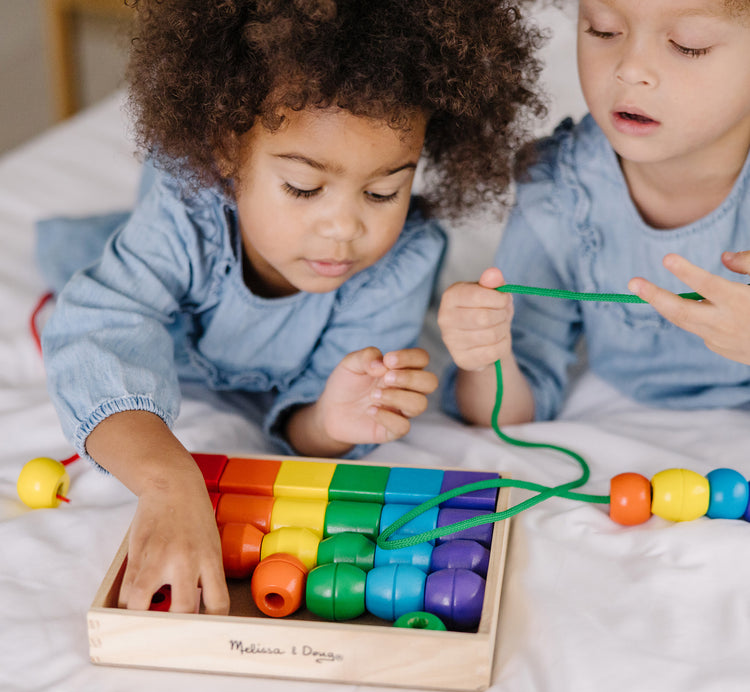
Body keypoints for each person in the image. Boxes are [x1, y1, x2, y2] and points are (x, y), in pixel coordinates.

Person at [38, 0, 546, 614]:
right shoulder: (188, 205)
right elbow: (104, 327)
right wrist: (168, 481)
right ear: (228, 152)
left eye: (385, 190)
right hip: (169, 258)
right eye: (304, 188)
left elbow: (304, 421)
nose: (345, 227)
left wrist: (331, 420)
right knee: (88, 265)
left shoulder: (401, 261)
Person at [438, 0, 750, 430]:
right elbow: (510, 411)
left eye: (687, 46)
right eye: (603, 30)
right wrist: (483, 354)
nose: (629, 68)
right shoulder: (558, 192)